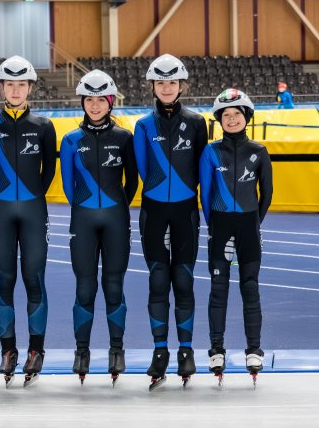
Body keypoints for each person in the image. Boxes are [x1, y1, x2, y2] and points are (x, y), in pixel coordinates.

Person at [0, 55, 57, 386]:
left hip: (33, 210)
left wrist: (32, 197)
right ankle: (8, 351)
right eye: (9, 84)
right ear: (1, 88)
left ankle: (36, 350)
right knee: (4, 281)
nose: (15, 90)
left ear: (30, 88)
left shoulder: (43, 127)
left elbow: (48, 172)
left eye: (21, 84)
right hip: (0, 211)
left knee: (34, 280)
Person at [133, 54, 208, 388]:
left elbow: (202, 169)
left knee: (184, 280)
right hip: (153, 211)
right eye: (161, 83)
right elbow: (142, 169)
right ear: (152, 86)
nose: (166, 88)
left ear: (181, 86)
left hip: (185, 211)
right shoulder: (143, 126)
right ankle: (160, 351)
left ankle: (187, 351)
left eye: (172, 82)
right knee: (158, 280)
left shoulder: (197, 122)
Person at [60, 70, 138, 384]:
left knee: (114, 286)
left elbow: (132, 182)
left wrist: (116, 206)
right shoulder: (70, 140)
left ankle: (117, 349)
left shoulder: (124, 138)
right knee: (85, 287)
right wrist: (87, 207)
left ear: (110, 102)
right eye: (89, 100)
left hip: (116, 219)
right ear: (82, 102)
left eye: (101, 100)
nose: (94, 106)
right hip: (83, 219)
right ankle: (82, 351)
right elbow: (68, 187)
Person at [199, 88, 273, 380]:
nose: (231, 119)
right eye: (226, 115)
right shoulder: (210, 151)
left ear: (247, 117)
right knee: (218, 290)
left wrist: (254, 223)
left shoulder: (259, 151)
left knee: (250, 288)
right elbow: (205, 194)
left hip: (248, 228)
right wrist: (214, 225)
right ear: (219, 120)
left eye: (236, 114)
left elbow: (267, 193)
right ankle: (216, 350)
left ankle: (254, 349)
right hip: (220, 227)